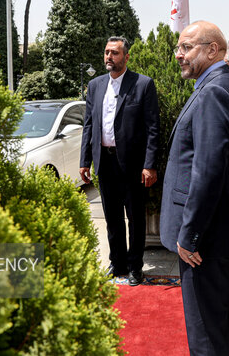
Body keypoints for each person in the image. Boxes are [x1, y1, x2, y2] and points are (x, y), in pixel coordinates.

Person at [160, 21, 229, 355]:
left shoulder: (215, 90)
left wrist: (190, 235)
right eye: (178, 48)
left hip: (207, 239)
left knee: (207, 335)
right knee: (225, 323)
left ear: (213, 49)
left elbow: (208, 170)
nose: (178, 55)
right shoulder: (224, 85)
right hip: (221, 233)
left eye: (187, 47)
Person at [80, 36, 160, 286]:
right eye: (106, 52)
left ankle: (135, 266)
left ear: (126, 57)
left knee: (135, 218)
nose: (108, 57)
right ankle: (117, 263)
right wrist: (85, 160)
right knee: (112, 218)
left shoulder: (143, 85)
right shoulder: (94, 86)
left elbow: (153, 128)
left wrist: (149, 164)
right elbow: (89, 125)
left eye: (114, 53)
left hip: (133, 165)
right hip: (104, 162)